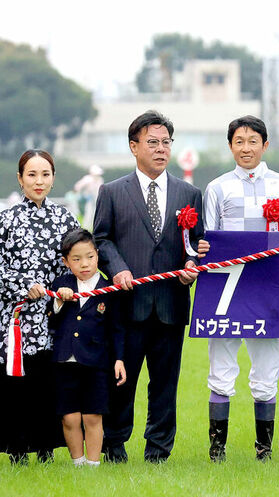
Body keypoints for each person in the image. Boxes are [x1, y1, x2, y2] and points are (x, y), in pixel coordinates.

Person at [93, 110, 205, 463]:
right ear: (133, 146)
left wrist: (191, 266)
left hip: (171, 305)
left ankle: (158, 450)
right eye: (152, 142)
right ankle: (114, 445)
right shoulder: (111, 192)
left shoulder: (190, 193)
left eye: (166, 142)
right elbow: (101, 238)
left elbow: (196, 245)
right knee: (122, 381)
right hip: (127, 306)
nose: (160, 149)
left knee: (165, 385)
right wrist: (119, 269)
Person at [202, 116, 279, 462]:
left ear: (265, 145)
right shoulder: (217, 188)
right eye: (238, 141)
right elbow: (208, 239)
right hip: (228, 292)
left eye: (252, 141)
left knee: (266, 370)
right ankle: (216, 450)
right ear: (230, 145)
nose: (245, 147)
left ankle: (264, 451)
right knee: (221, 369)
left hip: (269, 290)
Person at [0, 149, 77, 464]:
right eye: (31, 175)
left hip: (52, 317)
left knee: (49, 384)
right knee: (18, 386)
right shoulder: (5, 219)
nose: (39, 181)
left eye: (45, 174)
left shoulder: (65, 218)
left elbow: (80, 260)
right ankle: (17, 451)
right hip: (15, 320)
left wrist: (63, 290)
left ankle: (46, 449)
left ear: (53, 177)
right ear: (20, 178)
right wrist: (21, 287)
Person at [48, 228, 127, 467]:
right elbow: (51, 320)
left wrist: (119, 359)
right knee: (70, 417)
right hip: (64, 362)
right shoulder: (60, 284)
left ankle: (93, 465)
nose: (85, 264)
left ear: (97, 256)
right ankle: (78, 462)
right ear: (65, 262)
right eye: (76, 259)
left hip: (96, 363)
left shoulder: (108, 288)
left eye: (90, 257)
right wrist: (59, 300)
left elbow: (117, 328)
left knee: (93, 415)